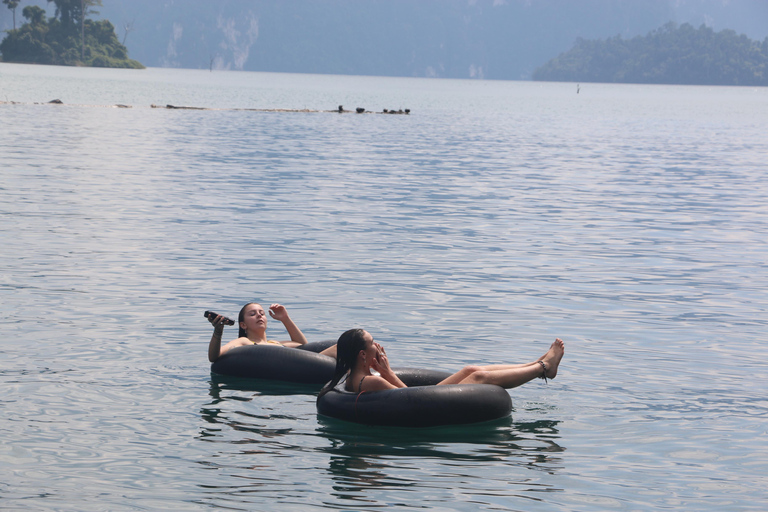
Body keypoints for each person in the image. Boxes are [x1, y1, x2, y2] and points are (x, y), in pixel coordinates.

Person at [320, 328, 564, 395]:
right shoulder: (369, 383)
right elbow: (411, 399)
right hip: (426, 408)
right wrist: (388, 373)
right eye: (372, 342)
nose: (377, 345)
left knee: (470, 369)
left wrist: (384, 371)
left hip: (423, 400)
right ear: (363, 354)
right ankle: (543, 368)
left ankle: (537, 362)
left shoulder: (355, 377)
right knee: (480, 377)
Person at [207, 302, 336, 362]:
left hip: (305, 366)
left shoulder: (275, 343)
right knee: (341, 347)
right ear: (243, 325)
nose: (259, 315)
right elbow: (214, 357)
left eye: (262, 313)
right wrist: (218, 332)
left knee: (342, 346)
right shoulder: (244, 342)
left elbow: (303, 344)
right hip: (295, 369)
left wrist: (285, 319)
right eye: (253, 314)